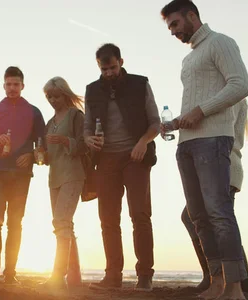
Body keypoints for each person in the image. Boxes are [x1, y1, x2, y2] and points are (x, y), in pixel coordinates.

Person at [160, 1, 248, 299]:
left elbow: (240, 85)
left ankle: (235, 289)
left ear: (191, 15)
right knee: (198, 216)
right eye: (169, 27)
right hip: (186, 144)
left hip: (214, 140)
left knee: (219, 214)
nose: (172, 32)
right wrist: (175, 122)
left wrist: (200, 111)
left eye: (175, 24)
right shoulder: (189, 60)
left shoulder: (220, 43)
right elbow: (195, 104)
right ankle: (216, 284)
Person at [84, 44, 161, 292]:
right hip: (105, 160)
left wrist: (142, 142)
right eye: (103, 68)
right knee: (108, 219)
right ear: (98, 66)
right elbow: (86, 127)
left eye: (112, 67)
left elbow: (155, 123)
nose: (108, 73)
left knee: (139, 215)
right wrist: (88, 139)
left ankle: (145, 276)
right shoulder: (92, 90)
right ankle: (113, 276)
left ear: (121, 62)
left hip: (135, 158)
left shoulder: (140, 84)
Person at [0, 66, 46, 284]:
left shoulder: (34, 112)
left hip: (21, 175)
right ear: (3, 85)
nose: (12, 88)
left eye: (16, 84)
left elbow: (42, 145)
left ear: (23, 86)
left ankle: (10, 273)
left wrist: (33, 156)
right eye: (8, 84)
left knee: (16, 223)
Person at [180, 99, 248, 293]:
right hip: (220, 165)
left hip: (222, 165)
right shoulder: (226, 97)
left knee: (219, 221)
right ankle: (223, 276)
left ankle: (231, 278)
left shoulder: (229, 98)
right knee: (212, 220)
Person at [38, 77, 88, 290]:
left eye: (56, 96)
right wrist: (39, 154)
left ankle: (58, 275)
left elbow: (85, 144)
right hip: (54, 177)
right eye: (49, 96)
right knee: (65, 225)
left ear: (65, 94)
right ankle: (74, 278)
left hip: (73, 174)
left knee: (61, 223)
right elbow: (48, 155)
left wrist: (66, 140)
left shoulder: (76, 116)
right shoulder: (50, 123)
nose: (52, 100)